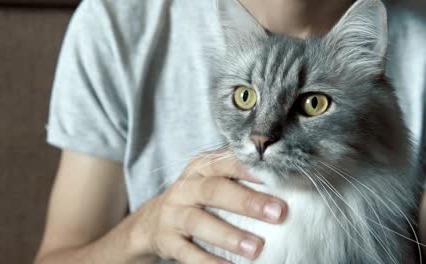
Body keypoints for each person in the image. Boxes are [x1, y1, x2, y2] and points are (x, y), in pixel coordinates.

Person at [34, 0, 426, 263]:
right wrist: (146, 230)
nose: (263, 135)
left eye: (312, 105)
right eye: (244, 97)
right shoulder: (119, 20)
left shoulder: (418, 42)